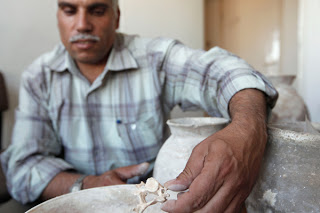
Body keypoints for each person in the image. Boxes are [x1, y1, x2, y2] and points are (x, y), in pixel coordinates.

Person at [1, 0, 278, 212]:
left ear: (116, 17)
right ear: (58, 16)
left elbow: (225, 72)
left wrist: (246, 129)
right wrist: (87, 184)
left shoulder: (154, 59)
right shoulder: (39, 77)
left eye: (97, 10)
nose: (83, 24)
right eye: (70, 10)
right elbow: (22, 167)